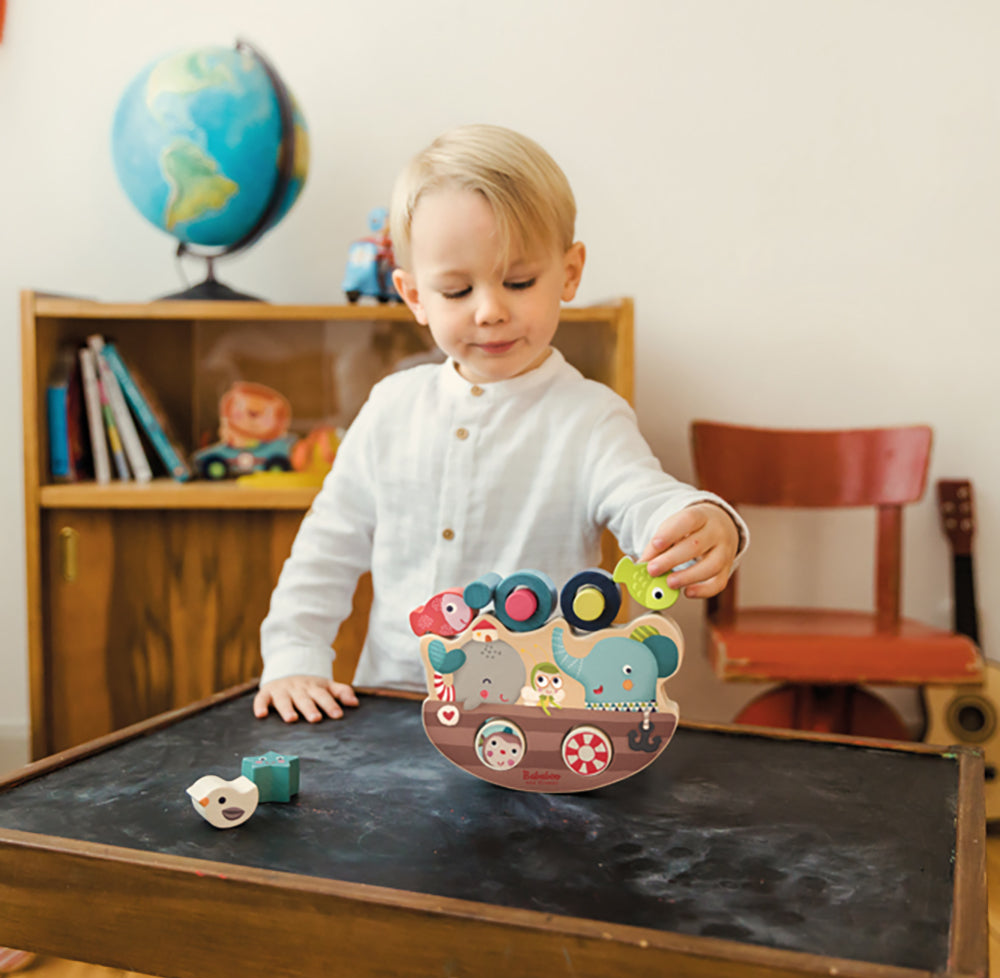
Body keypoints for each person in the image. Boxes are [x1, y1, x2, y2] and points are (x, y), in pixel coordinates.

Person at [254, 124, 746, 724]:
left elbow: (644, 496)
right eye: (457, 290)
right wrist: (294, 656)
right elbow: (327, 546)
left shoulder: (589, 417)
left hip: (540, 721)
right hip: (394, 708)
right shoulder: (390, 407)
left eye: (519, 281)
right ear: (413, 297)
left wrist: (698, 520)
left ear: (568, 273)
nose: (490, 310)